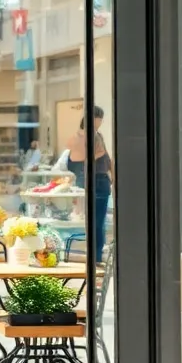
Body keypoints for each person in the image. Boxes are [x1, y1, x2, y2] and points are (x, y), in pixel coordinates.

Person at [68, 106, 113, 261]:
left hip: (94, 180)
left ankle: (95, 255)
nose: (101, 122)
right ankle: (96, 256)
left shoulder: (90, 135)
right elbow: (102, 158)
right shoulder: (91, 136)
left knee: (94, 221)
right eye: (100, 118)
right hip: (97, 180)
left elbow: (106, 159)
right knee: (97, 222)